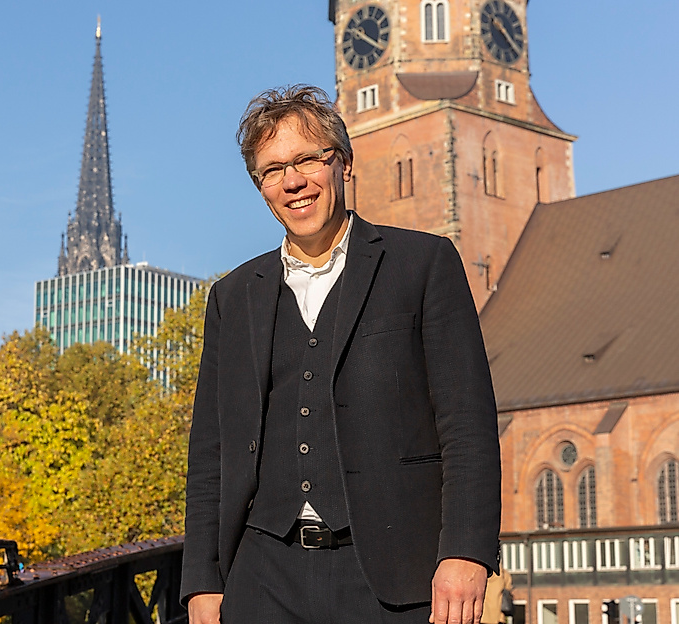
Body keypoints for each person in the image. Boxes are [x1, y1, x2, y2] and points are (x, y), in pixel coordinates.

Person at [181, 84, 501, 624]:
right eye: (272, 170)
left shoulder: (422, 265)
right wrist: (203, 582)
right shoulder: (232, 298)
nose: (293, 182)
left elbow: (467, 424)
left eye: (308, 159)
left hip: (392, 576)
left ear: (344, 164)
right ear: (260, 187)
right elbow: (210, 453)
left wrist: (466, 551)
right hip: (262, 579)